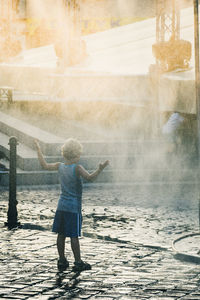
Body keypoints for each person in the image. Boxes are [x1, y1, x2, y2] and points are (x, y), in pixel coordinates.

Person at [34, 138, 109, 272]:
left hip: (61, 206)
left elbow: (44, 165)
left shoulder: (59, 166)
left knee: (61, 234)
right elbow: (90, 178)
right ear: (77, 154)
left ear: (64, 153)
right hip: (73, 208)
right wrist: (100, 169)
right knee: (74, 235)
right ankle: (78, 262)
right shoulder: (78, 168)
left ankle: (62, 260)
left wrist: (39, 150)